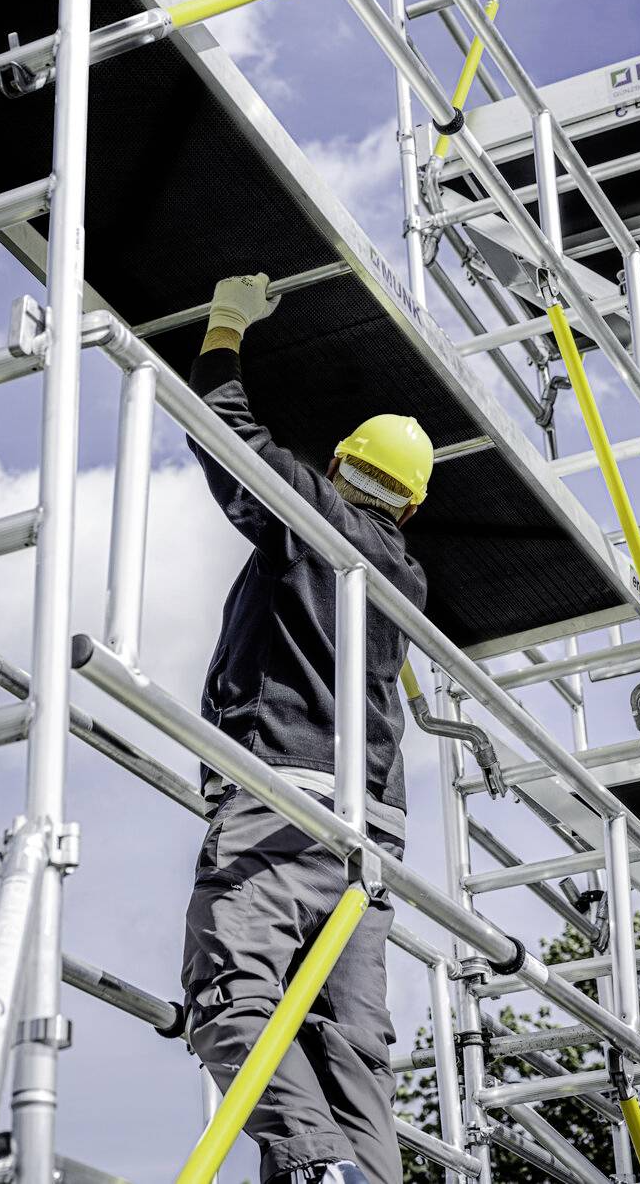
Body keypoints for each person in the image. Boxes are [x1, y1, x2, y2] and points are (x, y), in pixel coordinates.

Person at [181, 273, 432, 1184]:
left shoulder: (312, 518)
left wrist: (226, 325)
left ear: (336, 466)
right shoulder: (407, 577)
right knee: (351, 1044)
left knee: (232, 995)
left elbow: (225, 433)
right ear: (411, 506)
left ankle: (320, 1165)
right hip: (373, 833)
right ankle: (358, 1168)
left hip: (287, 796)